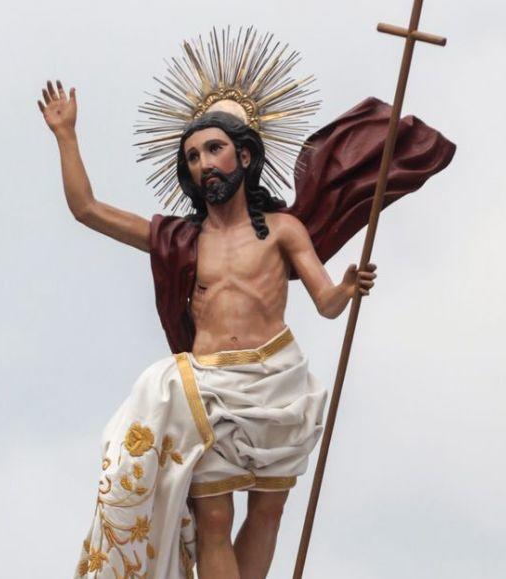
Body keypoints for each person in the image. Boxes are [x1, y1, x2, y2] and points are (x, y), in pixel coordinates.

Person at [38, 79, 376, 579]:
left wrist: (347, 287)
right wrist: (66, 135)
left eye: (213, 149)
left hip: (278, 381)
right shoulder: (183, 239)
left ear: (243, 155)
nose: (203, 164)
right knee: (214, 517)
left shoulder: (282, 230)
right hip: (208, 389)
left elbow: (325, 302)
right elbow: (88, 210)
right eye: (193, 156)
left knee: (270, 510)